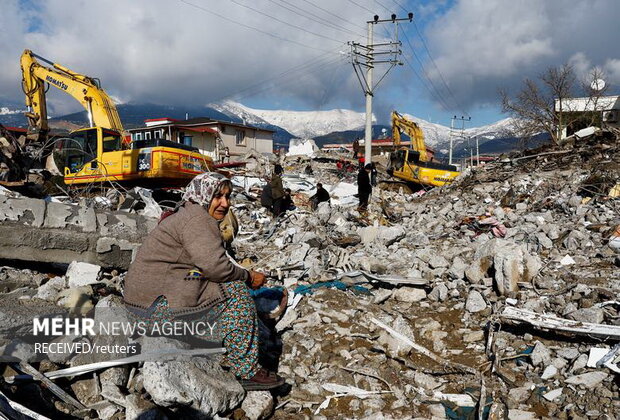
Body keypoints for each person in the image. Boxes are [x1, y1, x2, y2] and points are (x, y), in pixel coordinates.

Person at [123, 172, 284, 390]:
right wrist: (249, 277)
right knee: (235, 292)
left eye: (228, 197)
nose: (224, 203)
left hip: (141, 306)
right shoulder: (198, 220)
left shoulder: (188, 213)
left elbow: (205, 264)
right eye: (217, 196)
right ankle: (246, 370)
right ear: (203, 195)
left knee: (213, 287)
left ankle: (216, 343)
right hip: (152, 311)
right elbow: (217, 268)